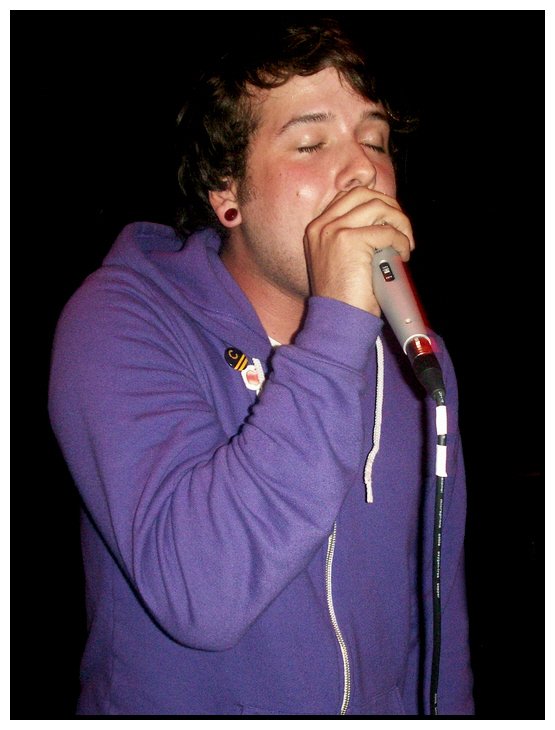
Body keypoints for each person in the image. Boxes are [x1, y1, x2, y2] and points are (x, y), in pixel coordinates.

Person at [48, 17, 474, 716]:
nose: (363, 170)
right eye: (310, 143)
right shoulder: (118, 320)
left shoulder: (416, 358)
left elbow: (435, 618)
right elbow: (200, 594)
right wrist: (337, 329)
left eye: (374, 141)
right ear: (227, 191)